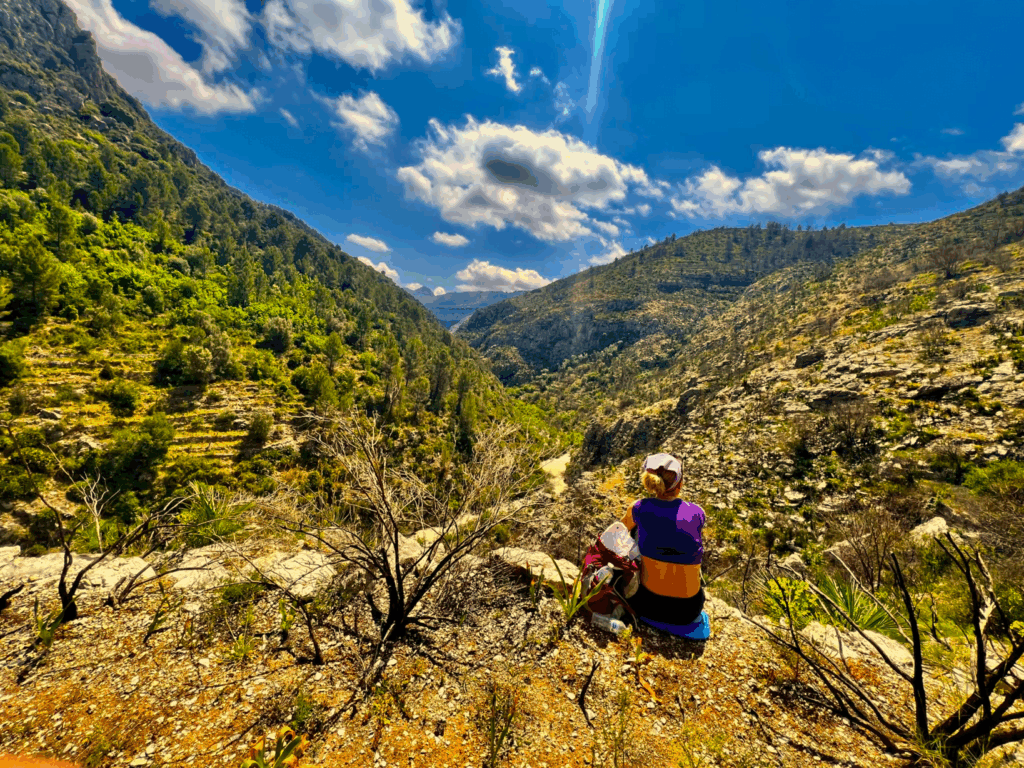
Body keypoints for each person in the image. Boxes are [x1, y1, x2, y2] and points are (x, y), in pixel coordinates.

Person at [619, 452, 708, 637]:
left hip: (647, 605)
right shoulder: (698, 513)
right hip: (688, 611)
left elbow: (619, 533)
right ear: (680, 483)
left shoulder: (638, 508)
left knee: (634, 531)